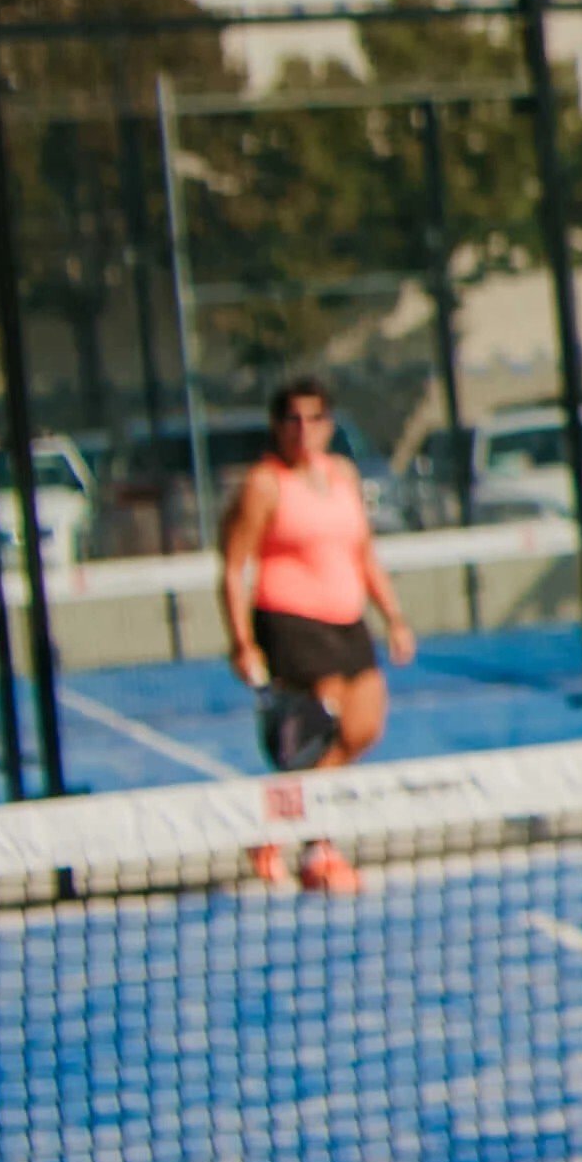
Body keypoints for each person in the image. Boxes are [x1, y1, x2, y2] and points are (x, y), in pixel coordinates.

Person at [220, 378, 412, 890]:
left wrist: (392, 616)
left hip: (347, 622)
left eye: (313, 418)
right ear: (277, 427)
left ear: (329, 424)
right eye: (291, 420)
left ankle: (273, 828)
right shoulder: (264, 484)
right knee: (322, 729)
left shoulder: (343, 475)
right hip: (289, 621)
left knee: (363, 726)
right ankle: (320, 849)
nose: (303, 430)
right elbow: (235, 565)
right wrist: (242, 640)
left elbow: (363, 552)